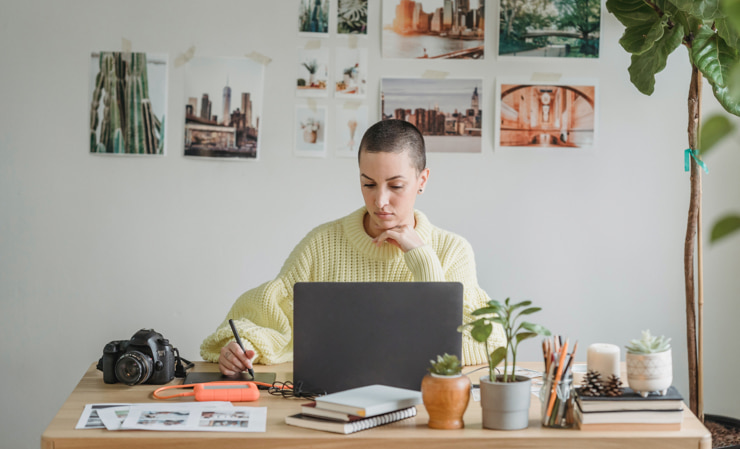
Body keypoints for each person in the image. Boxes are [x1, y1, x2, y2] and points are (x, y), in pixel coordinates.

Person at [200, 119, 505, 376]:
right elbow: (269, 317)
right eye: (368, 184)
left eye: (396, 186)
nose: (380, 201)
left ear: (422, 180)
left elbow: (484, 344)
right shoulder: (322, 244)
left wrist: (421, 255)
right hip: (330, 400)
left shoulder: (453, 250)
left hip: (422, 403)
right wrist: (238, 348)